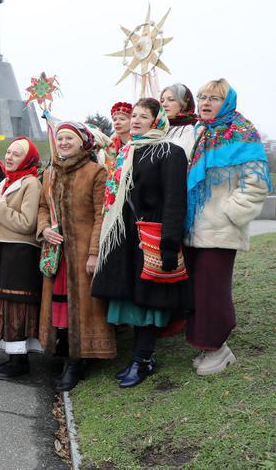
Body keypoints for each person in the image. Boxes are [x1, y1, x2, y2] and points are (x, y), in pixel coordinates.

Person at [93, 99, 192, 387]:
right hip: (126, 237)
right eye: (133, 115)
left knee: (150, 301)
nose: (135, 120)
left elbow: (175, 200)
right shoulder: (128, 151)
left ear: (156, 120)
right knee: (134, 300)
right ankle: (138, 357)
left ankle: (143, 360)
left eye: (143, 116)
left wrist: (170, 243)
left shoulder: (169, 152)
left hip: (152, 235)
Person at [183, 80, 270, 376]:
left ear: (228, 102)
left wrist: (229, 215)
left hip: (220, 230)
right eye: (202, 97)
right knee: (197, 290)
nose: (206, 103)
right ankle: (206, 346)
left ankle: (219, 349)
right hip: (193, 228)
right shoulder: (200, 134)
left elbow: (256, 185)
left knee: (212, 291)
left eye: (214, 98)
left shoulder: (243, 133)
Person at [37, 122, 115, 392]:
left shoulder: (96, 172)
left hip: (81, 254)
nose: (64, 142)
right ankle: (65, 354)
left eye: (69, 137)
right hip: (57, 254)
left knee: (80, 307)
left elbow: (101, 216)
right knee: (60, 308)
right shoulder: (49, 173)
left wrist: (93, 253)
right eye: (60, 138)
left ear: (82, 141)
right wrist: (44, 228)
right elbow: (43, 207)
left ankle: (77, 362)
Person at [0, 137, 43, 380]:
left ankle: (20, 361)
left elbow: (27, 223)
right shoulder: (7, 183)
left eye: (16, 154)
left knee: (17, 305)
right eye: (8, 152)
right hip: (3, 249)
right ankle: (12, 357)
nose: (9, 157)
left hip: (20, 253)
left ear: (28, 159)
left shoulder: (31, 183)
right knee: (5, 303)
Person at [160, 83, 200, 156]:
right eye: (162, 101)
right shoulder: (158, 127)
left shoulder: (194, 128)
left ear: (184, 104)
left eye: (171, 100)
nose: (164, 104)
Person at [103, 102, 133, 174]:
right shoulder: (111, 145)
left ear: (132, 121)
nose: (117, 122)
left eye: (122, 119)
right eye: (114, 120)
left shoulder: (139, 142)